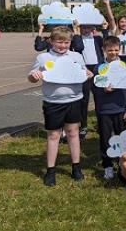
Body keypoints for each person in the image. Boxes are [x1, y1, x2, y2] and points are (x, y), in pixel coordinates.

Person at [28, 27, 93, 186]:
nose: (63, 46)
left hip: (74, 100)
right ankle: (51, 171)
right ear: (51, 41)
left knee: (72, 133)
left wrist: (89, 74)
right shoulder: (43, 57)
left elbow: (84, 72)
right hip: (53, 103)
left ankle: (76, 167)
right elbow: (31, 76)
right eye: (59, 42)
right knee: (53, 135)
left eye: (66, 42)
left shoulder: (76, 56)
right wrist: (33, 76)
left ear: (70, 42)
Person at [91, 36, 126, 180]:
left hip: (121, 109)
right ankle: (107, 166)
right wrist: (103, 90)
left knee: (122, 138)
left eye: (116, 50)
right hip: (104, 110)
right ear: (104, 50)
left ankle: (123, 163)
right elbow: (94, 88)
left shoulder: (125, 67)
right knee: (105, 139)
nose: (113, 53)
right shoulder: (99, 68)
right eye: (110, 50)